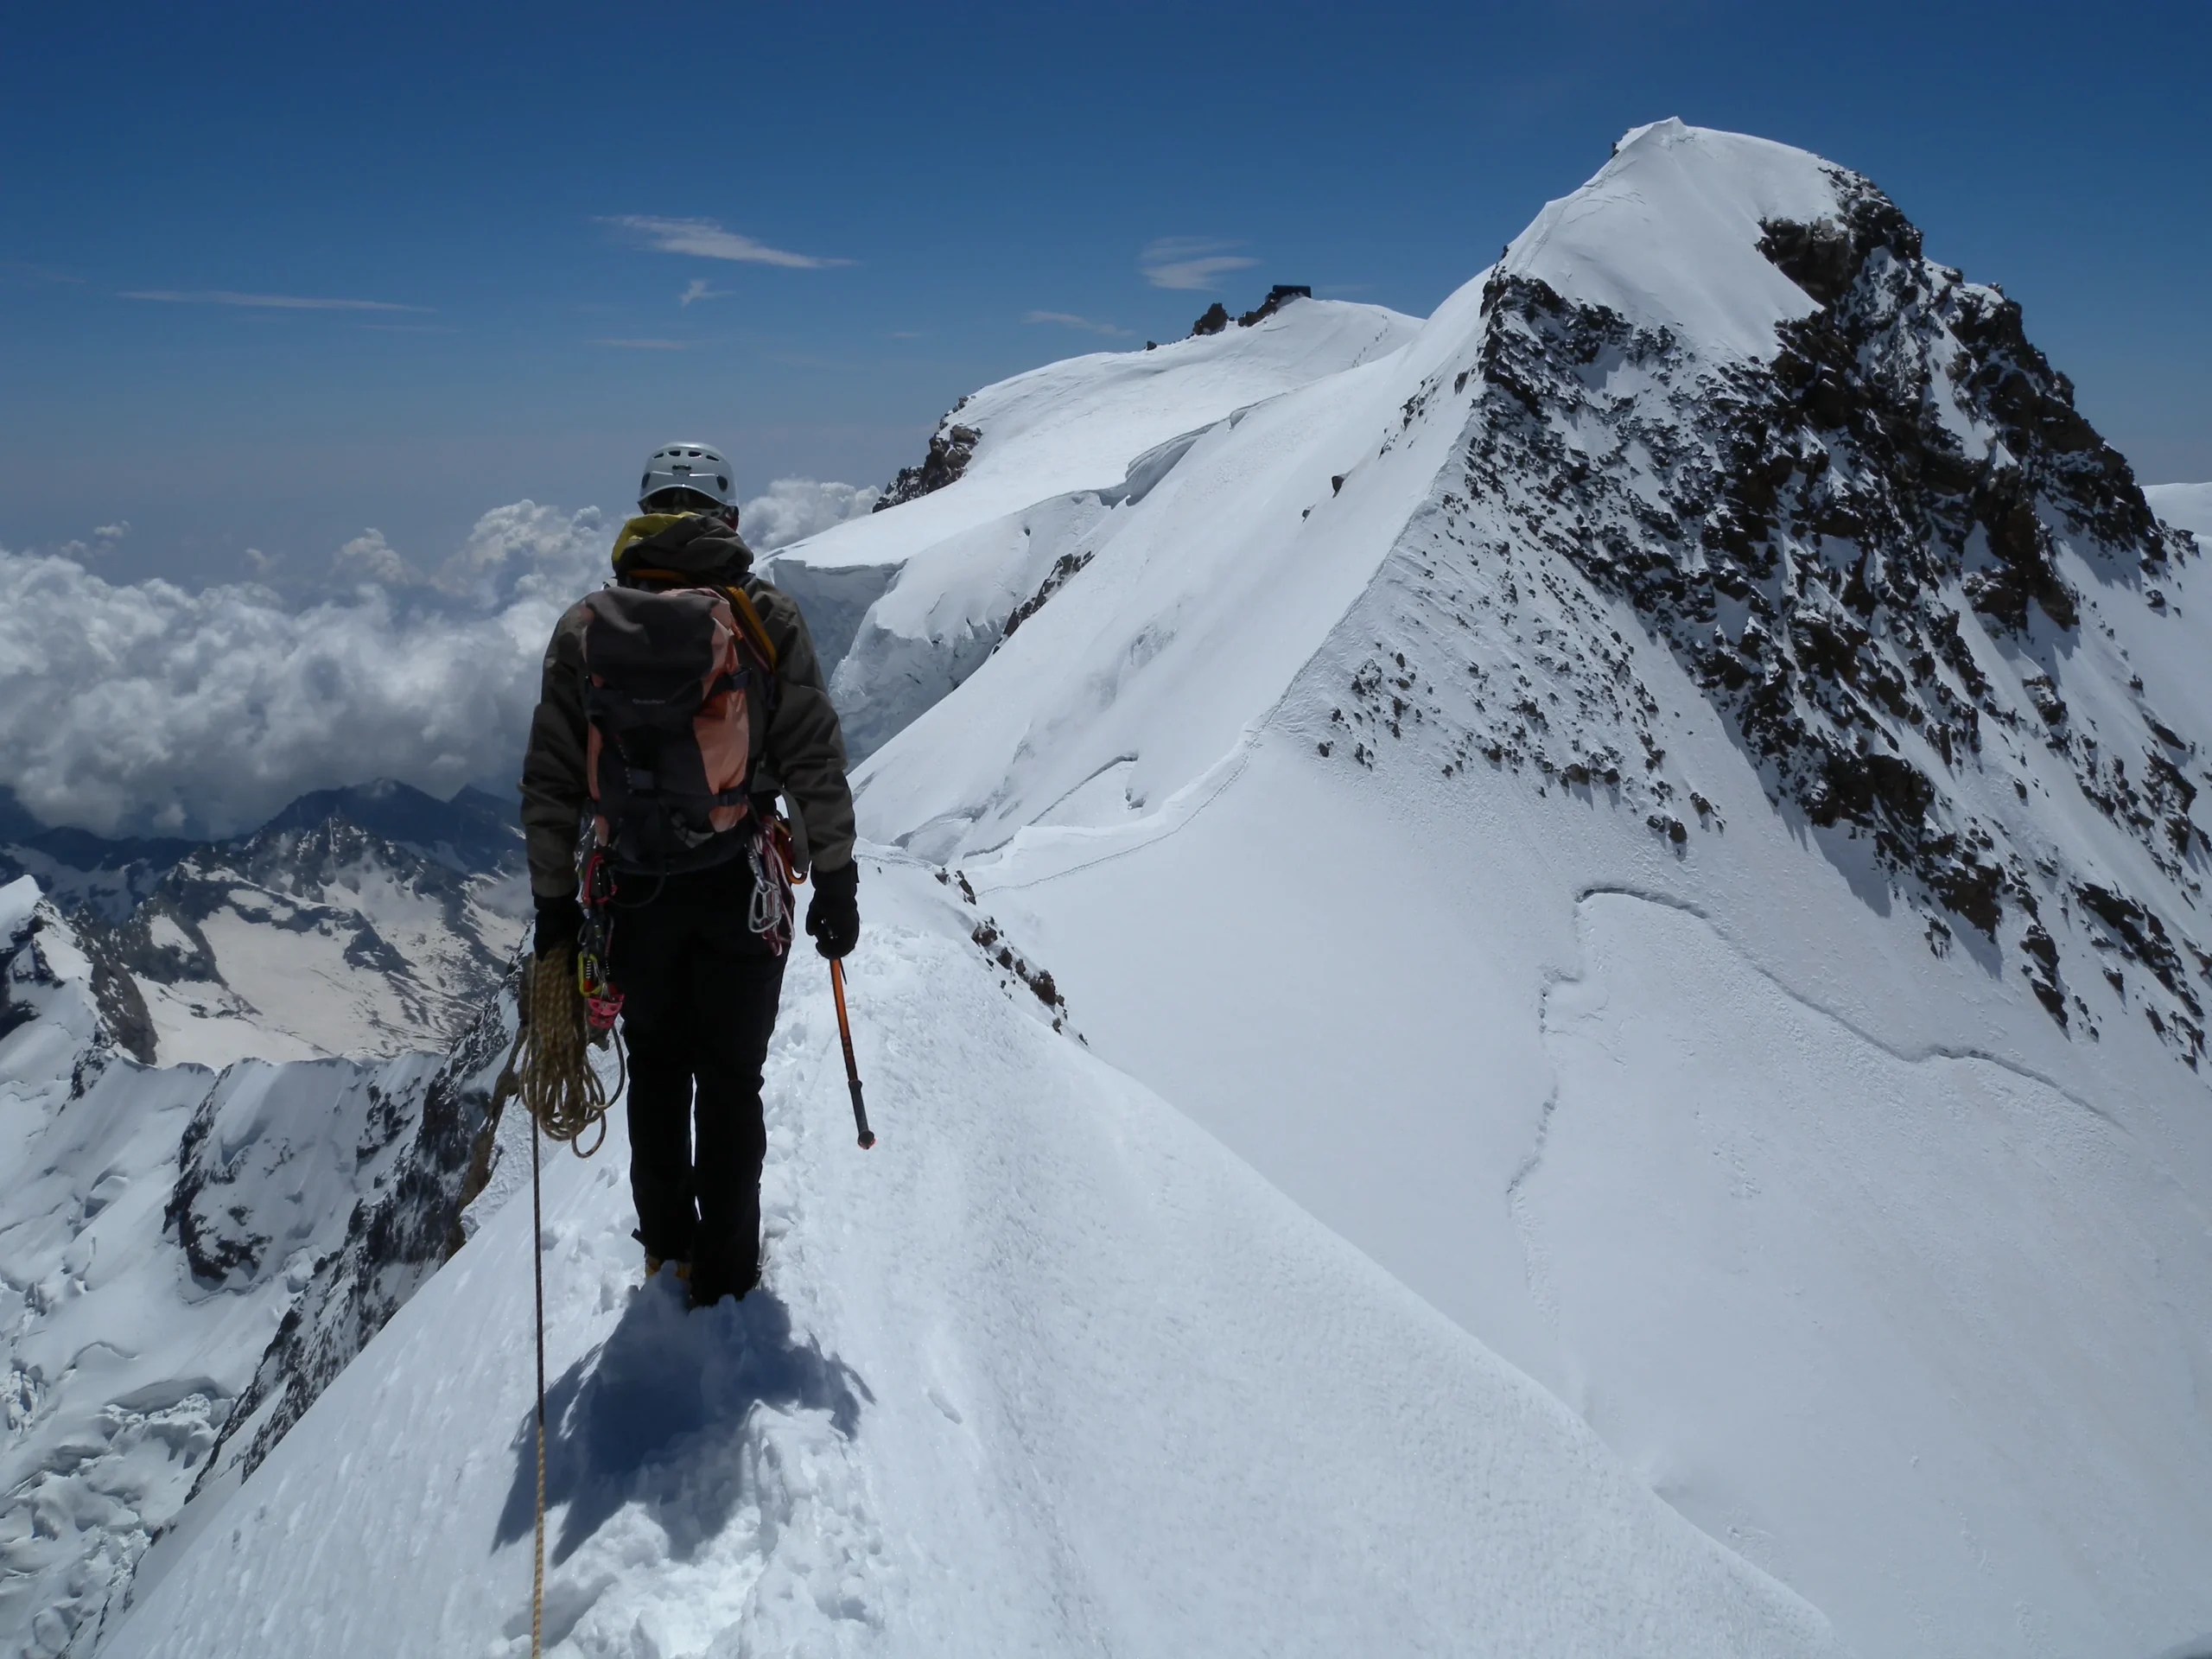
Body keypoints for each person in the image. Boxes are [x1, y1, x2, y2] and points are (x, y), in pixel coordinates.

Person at [520, 442, 860, 1307]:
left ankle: (667, 1254)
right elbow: (813, 757)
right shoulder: (763, 615)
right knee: (731, 1081)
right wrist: (836, 877)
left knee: (661, 1073)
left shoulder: (583, 626)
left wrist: (556, 911)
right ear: (729, 520)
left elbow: (553, 782)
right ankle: (731, 1272)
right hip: (739, 882)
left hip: (629, 891)